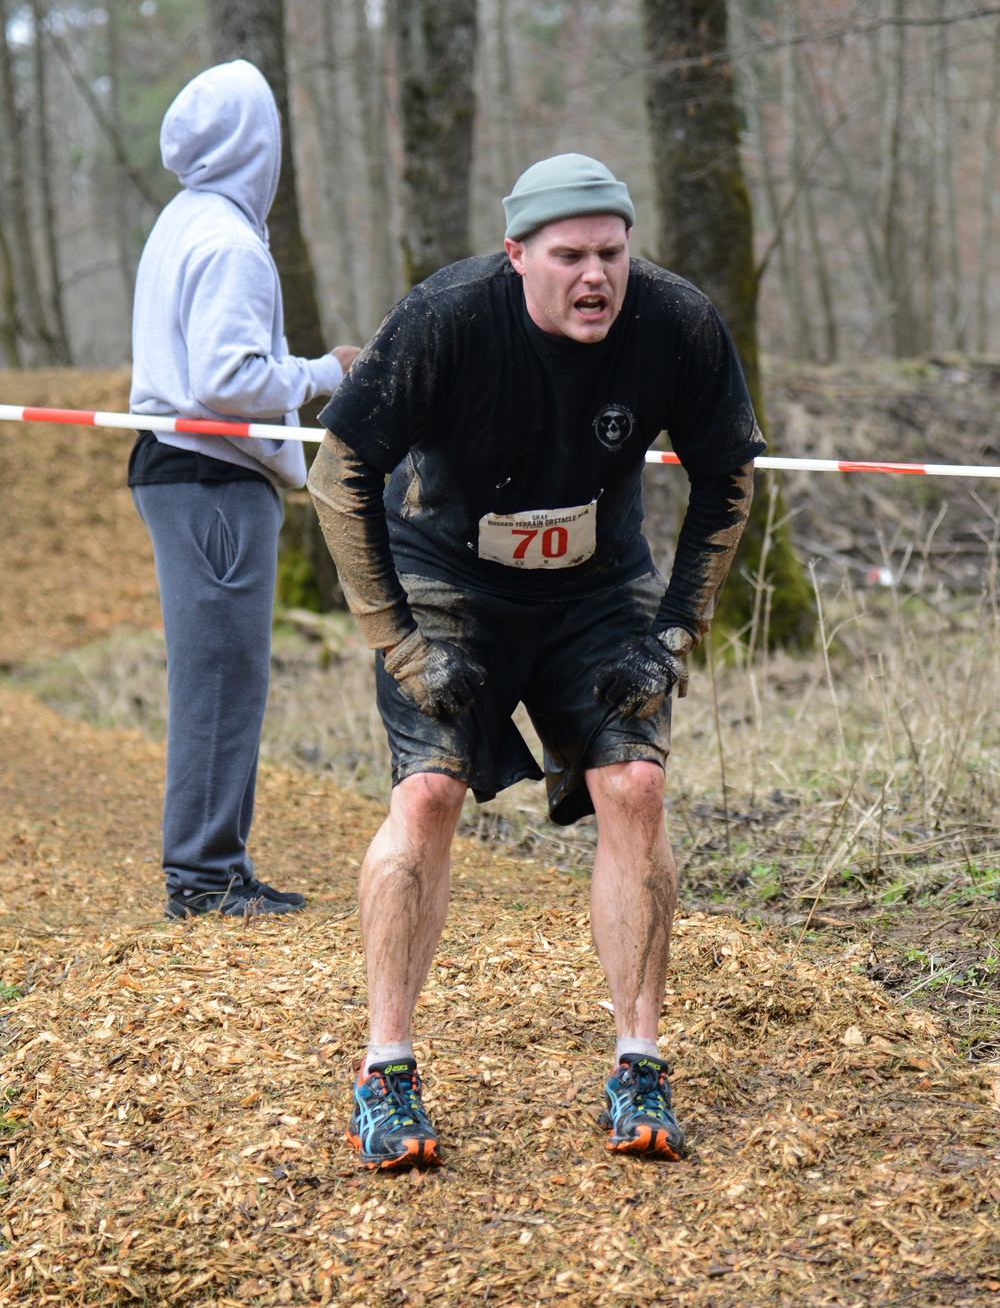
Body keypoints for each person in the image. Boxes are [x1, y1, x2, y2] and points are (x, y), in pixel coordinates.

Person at [308, 153, 763, 1168]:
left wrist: (676, 631)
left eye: (611, 252)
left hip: (597, 587)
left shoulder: (676, 322)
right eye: (569, 256)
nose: (595, 275)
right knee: (427, 795)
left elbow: (728, 478)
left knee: (635, 782)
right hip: (445, 577)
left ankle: (638, 1060)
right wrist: (398, 642)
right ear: (518, 255)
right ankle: (385, 1072)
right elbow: (337, 475)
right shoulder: (447, 316)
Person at [129, 59, 358, 921]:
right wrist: (323, 373)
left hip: (187, 468)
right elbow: (227, 376)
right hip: (212, 475)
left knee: (222, 671)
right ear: (255, 142)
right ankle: (204, 875)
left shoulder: (184, 221)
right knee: (223, 675)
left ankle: (216, 864)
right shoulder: (229, 242)